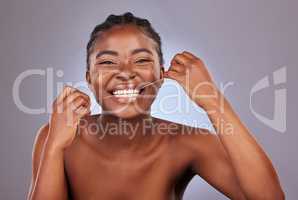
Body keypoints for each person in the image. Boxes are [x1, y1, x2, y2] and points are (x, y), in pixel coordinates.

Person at [27, 12, 284, 200]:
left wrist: (213, 101)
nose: (126, 73)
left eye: (140, 60)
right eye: (107, 63)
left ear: (161, 76)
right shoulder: (58, 138)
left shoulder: (188, 143)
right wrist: (53, 148)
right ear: (89, 79)